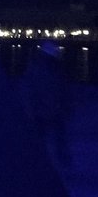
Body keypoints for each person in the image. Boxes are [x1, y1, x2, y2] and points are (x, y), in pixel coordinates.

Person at [21, 40, 72, 174]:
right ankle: (60, 163)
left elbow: (61, 89)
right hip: (47, 110)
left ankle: (59, 163)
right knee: (56, 139)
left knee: (55, 139)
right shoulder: (52, 68)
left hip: (48, 110)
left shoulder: (41, 67)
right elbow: (60, 89)